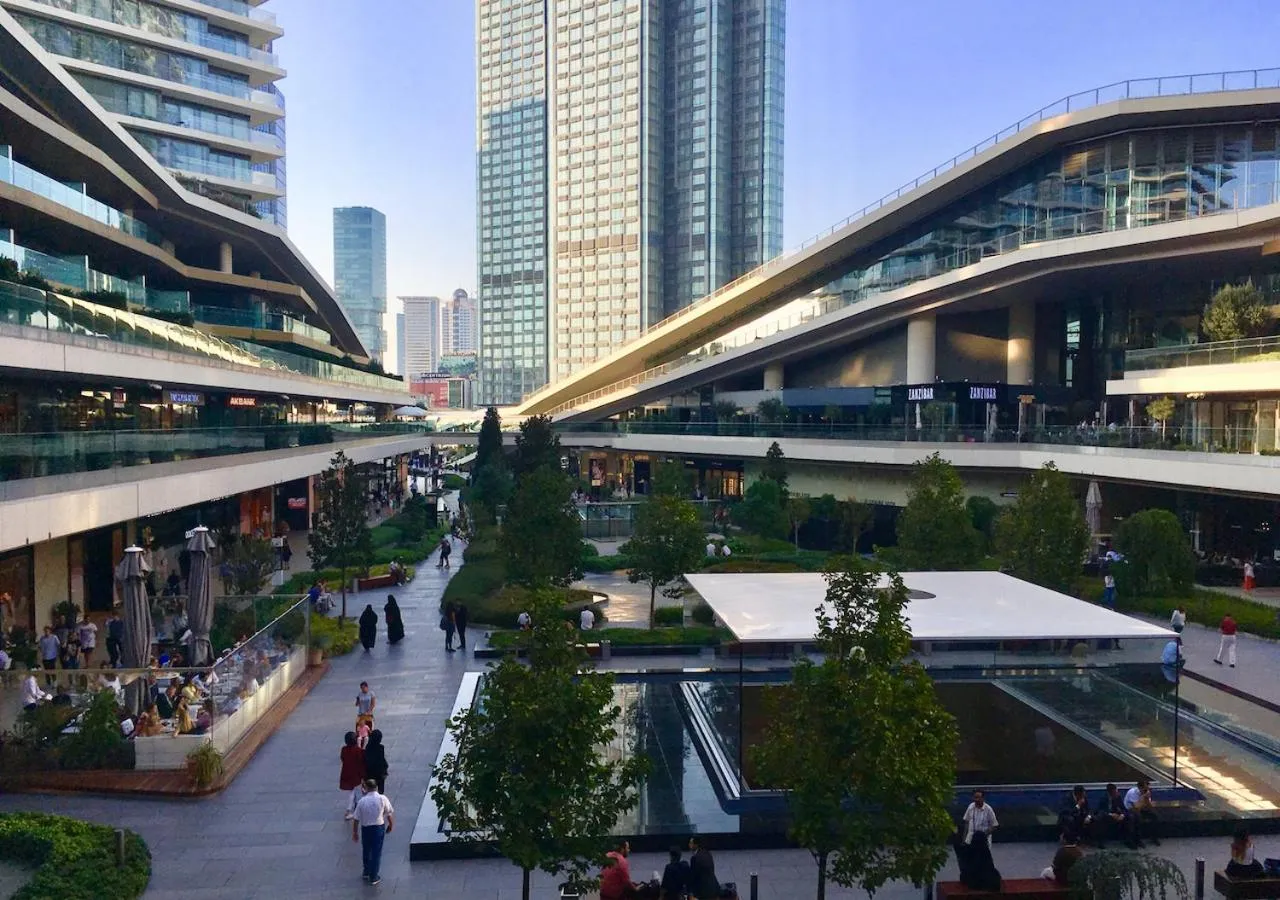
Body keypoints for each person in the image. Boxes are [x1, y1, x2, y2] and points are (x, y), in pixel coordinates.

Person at [351, 778, 395, 886]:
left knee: (366, 849)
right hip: (378, 827)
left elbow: (356, 819)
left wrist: (355, 833)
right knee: (376, 852)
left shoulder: (362, 801)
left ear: (366, 788)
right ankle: (374, 876)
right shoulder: (382, 798)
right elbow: (389, 813)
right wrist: (391, 825)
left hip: (365, 828)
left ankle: (366, 871)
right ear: (376, 787)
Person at [1123, 778, 1160, 848]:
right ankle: (1134, 840)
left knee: (1155, 816)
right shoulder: (1132, 793)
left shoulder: (1146, 793)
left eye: (1147, 789)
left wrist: (1147, 800)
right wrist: (1143, 797)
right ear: (1140, 788)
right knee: (1136, 818)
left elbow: (1149, 807)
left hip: (1140, 809)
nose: (1147, 791)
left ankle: (1153, 837)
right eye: (1145, 789)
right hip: (1130, 810)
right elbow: (1136, 807)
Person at [1096, 782, 1128, 848]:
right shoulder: (1104, 798)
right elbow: (1100, 810)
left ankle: (1128, 840)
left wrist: (1122, 814)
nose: (1117, 792)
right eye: (1115, 791)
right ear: (1110, 792)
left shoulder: (1118, 797)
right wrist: (1111, 814)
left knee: (1129, 817)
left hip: (1117, 815)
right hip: (1107, 816)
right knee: (1101, 819)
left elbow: (1123, 808)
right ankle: (1101, 842)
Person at [363, 729, 389, 794]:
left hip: (369, 773)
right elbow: (381, 760)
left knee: (370, 789)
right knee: (380, 790)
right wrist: (385, 770)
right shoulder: (380, 748)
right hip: (379, 773)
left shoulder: (368, 747)